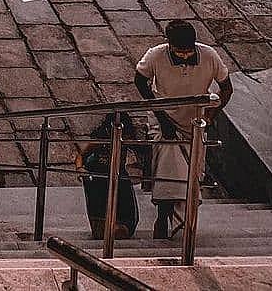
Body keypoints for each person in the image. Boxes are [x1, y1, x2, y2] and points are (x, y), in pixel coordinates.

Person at [134, 20, 232, 240]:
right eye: (180, 51)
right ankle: (164, 215)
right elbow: (140, 81)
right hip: (164, 119)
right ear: (170, 45)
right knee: (168, 170)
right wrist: (161, 115)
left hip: (195, 122)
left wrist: (211, 115)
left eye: (189, 51)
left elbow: (227, 88)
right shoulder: (155, 55)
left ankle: (183, 223)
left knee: (192, 173)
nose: (185, 55)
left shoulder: (209, 56)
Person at [77, 112, 141, 240]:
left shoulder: (125, 139)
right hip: (97, 179)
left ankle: (114, 228)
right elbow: (82, 155)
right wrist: (80, 168)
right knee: (101, 226)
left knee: (123, 226)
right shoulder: (101, 140)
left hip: (118, 177)